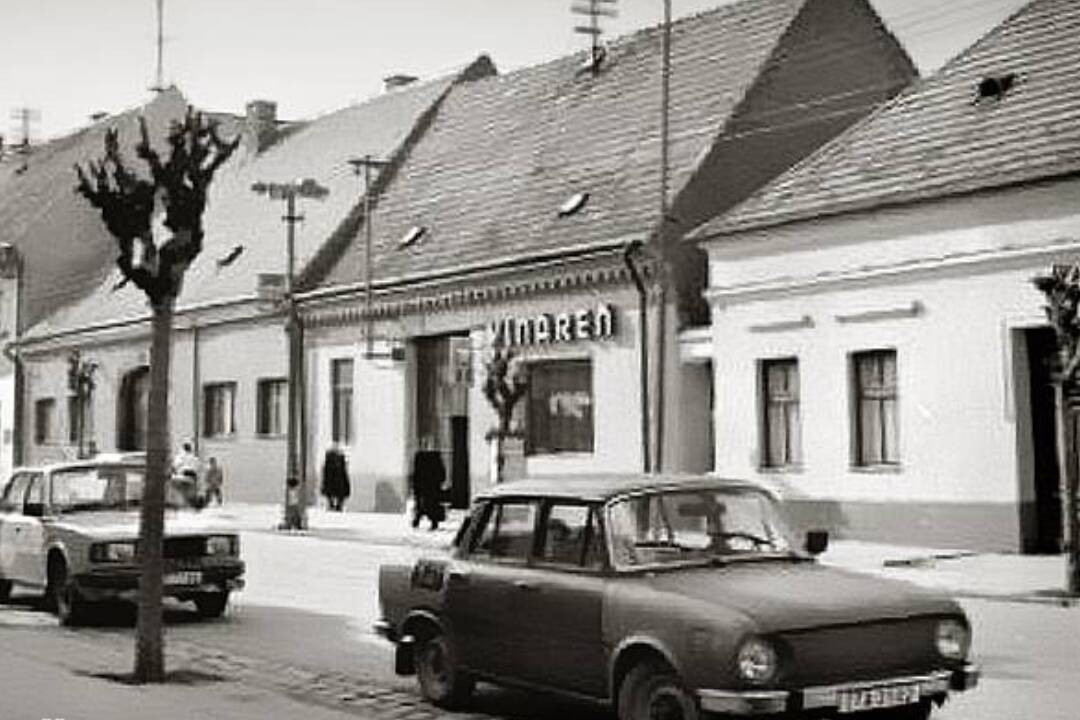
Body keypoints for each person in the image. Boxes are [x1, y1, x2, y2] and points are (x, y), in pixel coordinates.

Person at [410, 437, 446, 531]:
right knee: (426, 504)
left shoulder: (422, 456)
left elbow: (416, 472)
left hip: (428, 485)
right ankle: (423, 521)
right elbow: (441, 471)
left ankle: (421, 521)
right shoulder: (428, 456)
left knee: (426, 504)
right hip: (429, 485)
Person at [172, 441, 202, 508]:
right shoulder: (193, 457)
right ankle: (191, 500)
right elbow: (197, 467)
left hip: (184, 473)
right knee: (191, 488)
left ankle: (182, 501)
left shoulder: (180, 456)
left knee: (177, 485)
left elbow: (175, 465)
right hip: (193, 475)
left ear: (183, 448)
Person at [321, 444, 351, 511]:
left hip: (333, 483)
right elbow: (344, 475)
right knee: (338, 495)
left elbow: (325, 477)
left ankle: (334, 504)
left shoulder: (328, 464)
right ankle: (337, 505)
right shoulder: (340, 463)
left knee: (333, 494)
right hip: (339, 484)